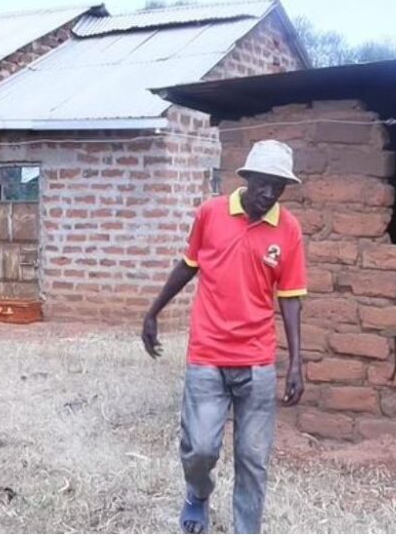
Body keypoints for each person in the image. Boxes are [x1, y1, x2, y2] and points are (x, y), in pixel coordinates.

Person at [142, 140, 307, 534]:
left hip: (257, 360)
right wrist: (153, 311)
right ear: (247, 178)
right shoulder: (211, 214)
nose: (269, 194)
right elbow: (189, 265)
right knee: (199, 449)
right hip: (208, 355)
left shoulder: (288, 229)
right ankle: (198, 494)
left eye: (278, 187)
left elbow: (291, 297)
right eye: (263, 183)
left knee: (253, 458)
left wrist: (298, 360)